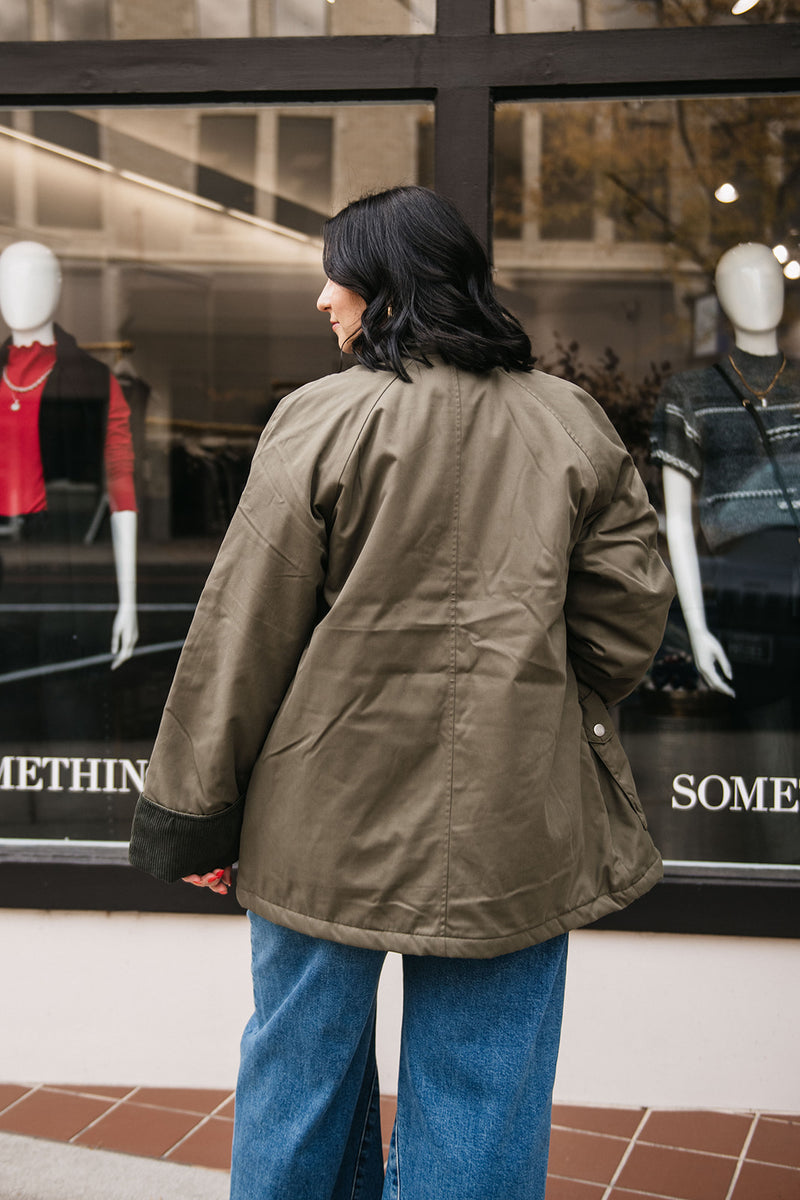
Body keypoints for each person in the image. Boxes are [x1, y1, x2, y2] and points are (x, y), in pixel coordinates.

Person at [129, 185, 673, 1200]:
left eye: (337, 274)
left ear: (382, 288)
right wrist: (535, 694)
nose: (321, 301)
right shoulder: (568, 422)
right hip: (513, 819)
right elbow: (625, 623)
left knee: (297, 1080)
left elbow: (241, 633)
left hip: (315, 821)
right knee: (481, 1090)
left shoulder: (317, 419)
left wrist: (197, 815)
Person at [652, 241, 799, 699]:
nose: (758, 291)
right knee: (770, 746)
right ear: (721, 297)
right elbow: (677, 520)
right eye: (740, 281)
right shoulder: (690, 392)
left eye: (769, 279)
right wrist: (697, 628)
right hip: (750, 590)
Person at [0, 240, 138, 668]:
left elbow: (121, 486)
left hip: (65, 562)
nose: (22, 293)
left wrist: (128, 600)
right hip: (5, 562)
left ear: (58, 288)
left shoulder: (93, 381)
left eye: (36, 279)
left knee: (67, 702)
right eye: (9, 281)